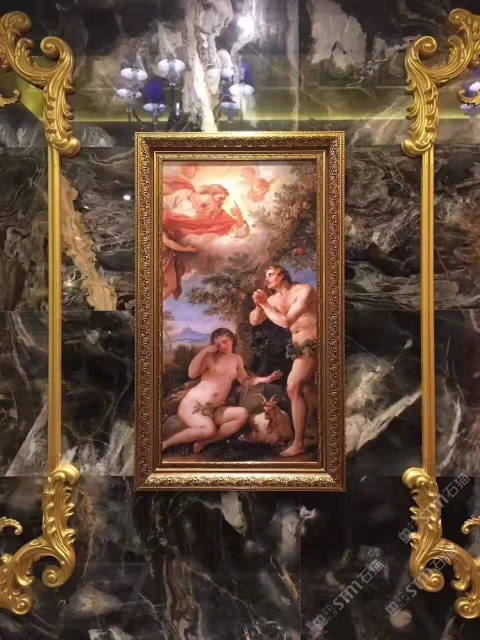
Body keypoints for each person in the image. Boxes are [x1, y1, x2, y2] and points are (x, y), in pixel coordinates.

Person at [162, 328, 282, 453]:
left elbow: (245, 380)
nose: (222, 346)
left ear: (232, 340)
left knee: (242, 414)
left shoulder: (237, 359)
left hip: (215, 409)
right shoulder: (210, 357)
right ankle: (166, 443)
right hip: (194, 405)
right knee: (208, 430)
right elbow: (192, 374)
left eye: (225, 341)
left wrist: (266, 379)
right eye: (218, 344)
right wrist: (204, 352)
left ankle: (205, 442)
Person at [249, 265, 317, 457]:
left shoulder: (304, 290)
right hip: (299, 348)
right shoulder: (273, 299)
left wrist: (265, 305)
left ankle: (299, 443)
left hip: (315, 344)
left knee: (293, 387)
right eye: (266, 275)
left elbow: (287, 322)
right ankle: (312, 433)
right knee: (309, 390)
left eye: (270, 274)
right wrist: (259, 305)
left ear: (282, 275)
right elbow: (254, 321)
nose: (266, 278)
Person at [163, 183, 249, 239]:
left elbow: (230, 225)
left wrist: (239, 215)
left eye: (222, 201)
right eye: (220, 198)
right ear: (213, 192)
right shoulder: (184, 194)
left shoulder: (216, 210)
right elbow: (163, 204)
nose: (221, 202)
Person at [162, 231, 198, 300]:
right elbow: (169, 243)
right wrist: (185, 249)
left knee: (171, 286)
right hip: (165, 263)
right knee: (171, 286)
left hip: (166, 261)